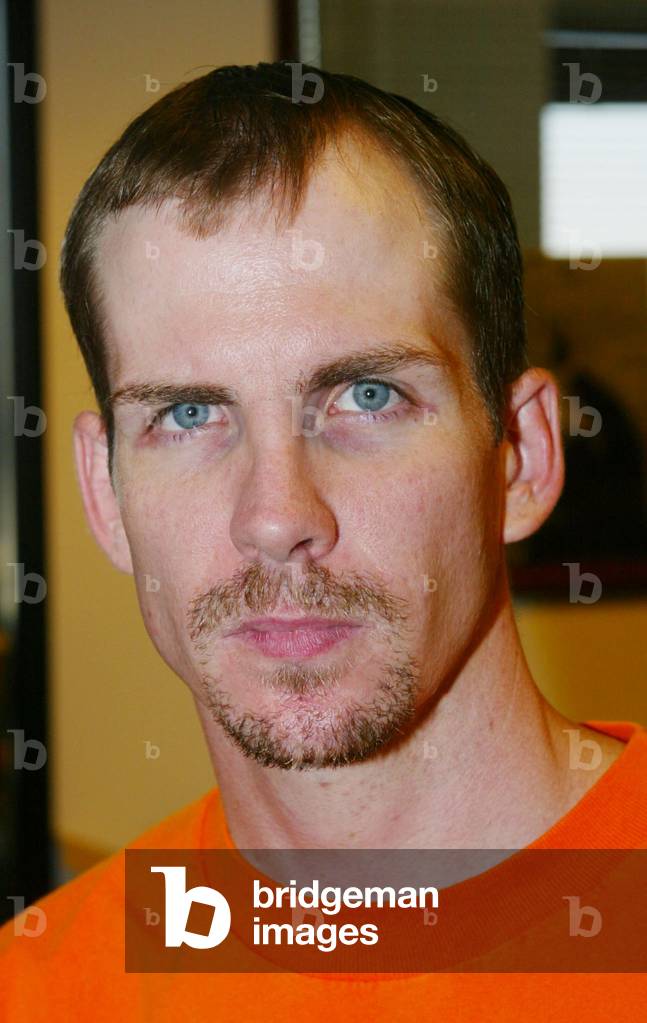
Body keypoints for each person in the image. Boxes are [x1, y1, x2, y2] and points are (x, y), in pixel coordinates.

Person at [2, 60, 646, 1019]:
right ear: (105, 491)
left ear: (520, 455)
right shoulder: (39, 991)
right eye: (187, 414)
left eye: (366, 396)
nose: (276, 516)